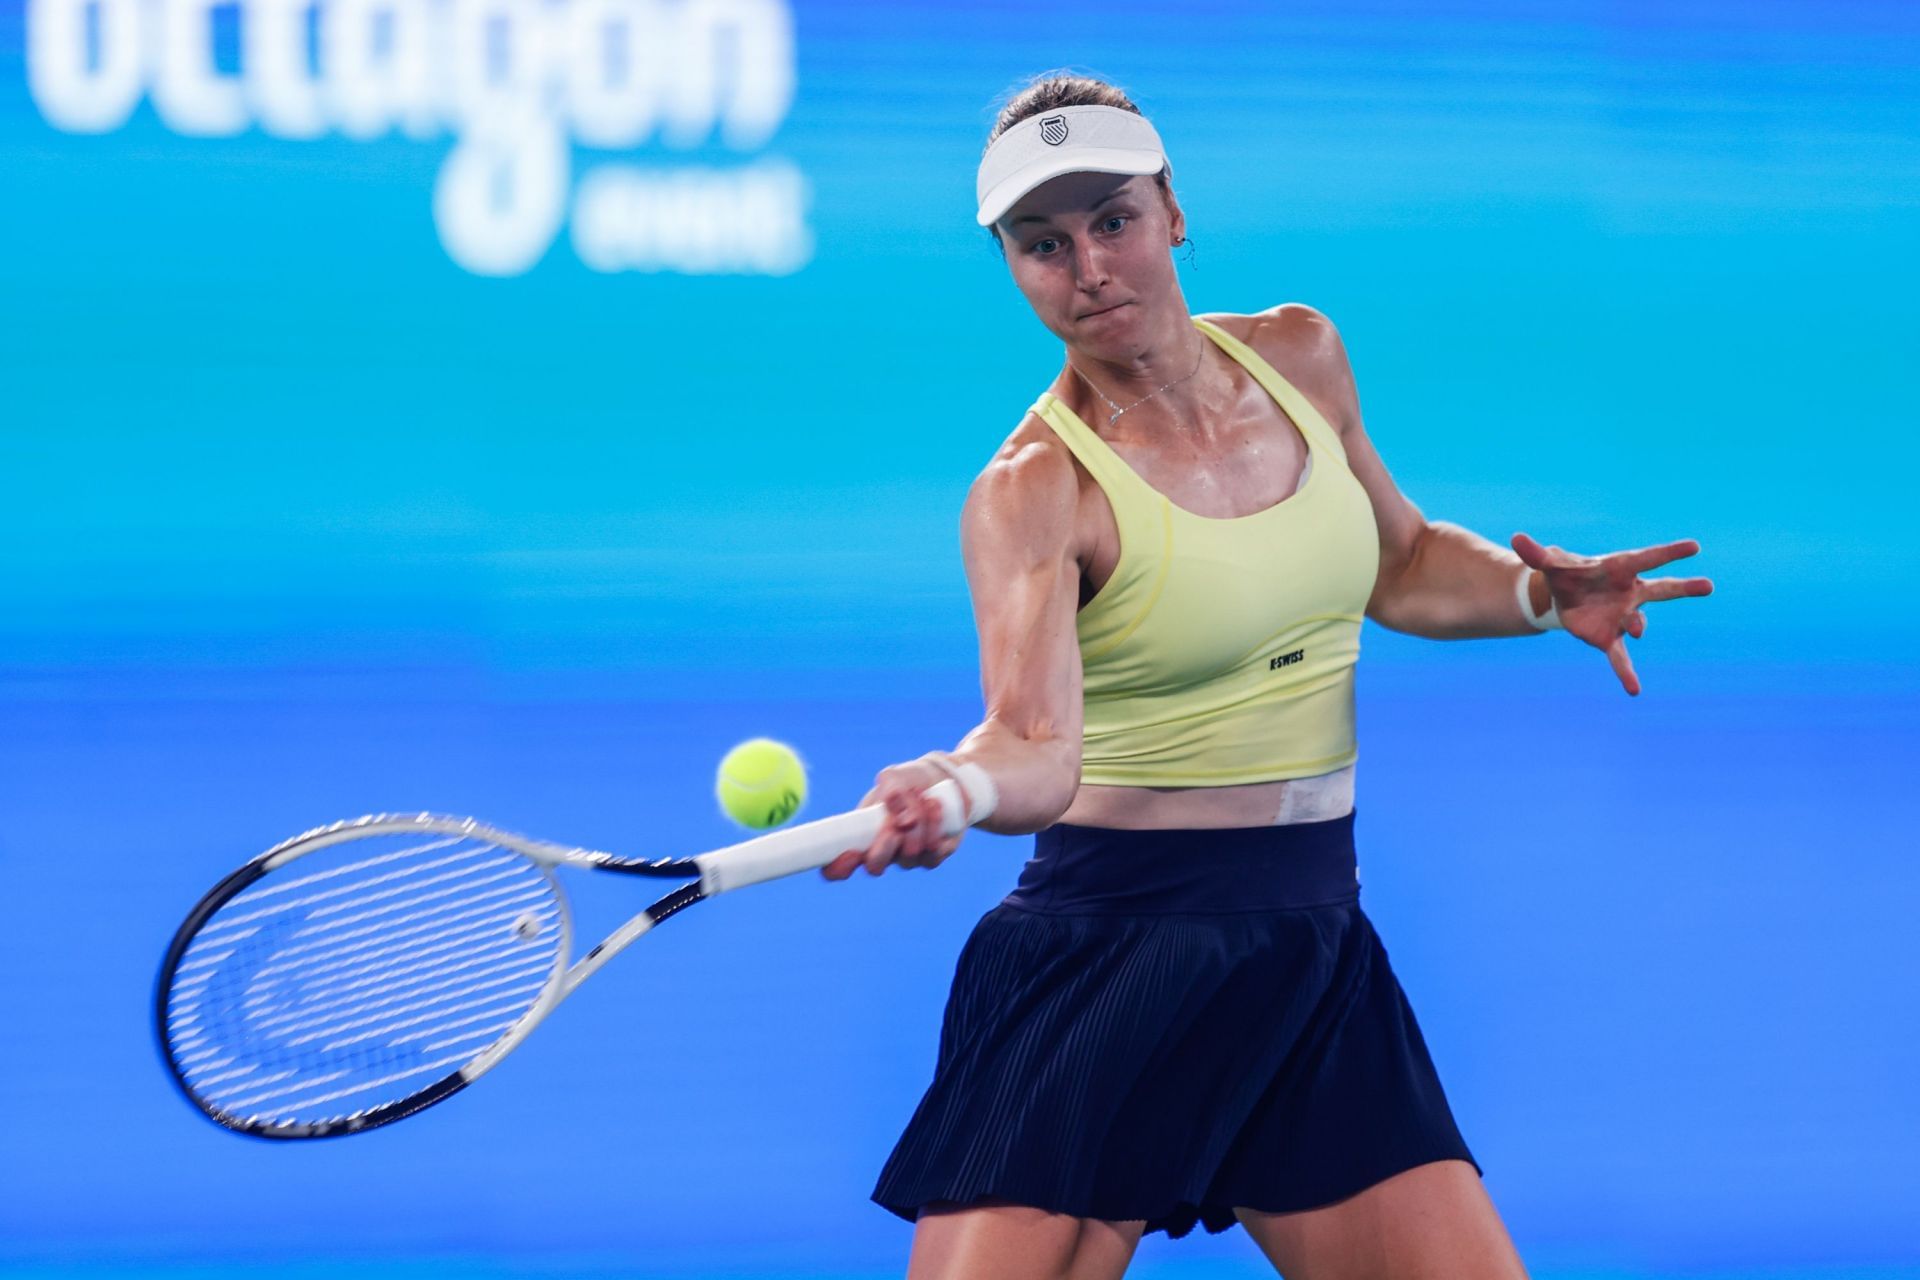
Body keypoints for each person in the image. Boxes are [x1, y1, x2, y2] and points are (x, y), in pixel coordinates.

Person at [822, 73, 1713, 1280]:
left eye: (1113, 220)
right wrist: (952, 787)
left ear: (1172, 210)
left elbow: (1398, 560)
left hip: (1307, 942)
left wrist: (1540, 594)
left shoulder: (1303, 353)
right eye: (1043, 244)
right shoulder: (1032, 488)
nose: (1088, 265)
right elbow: (1032, 744)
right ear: (1014, 268)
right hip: (1107, 955)